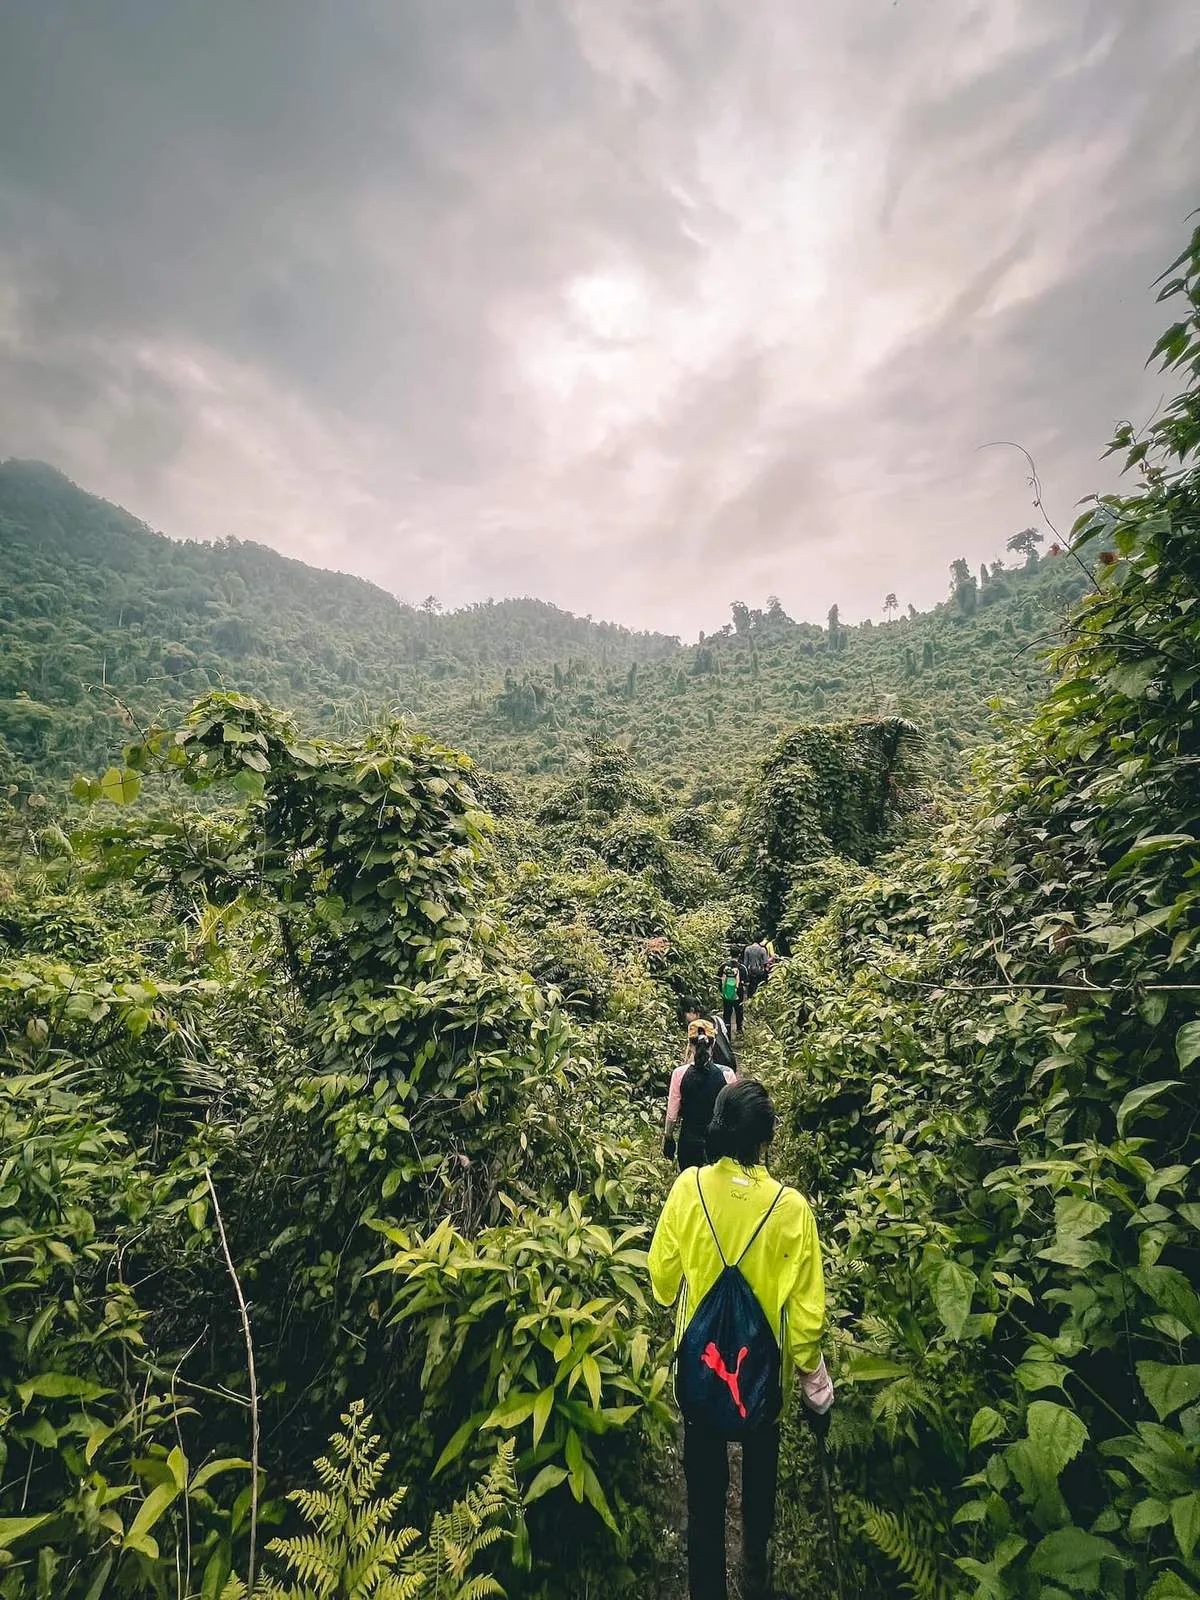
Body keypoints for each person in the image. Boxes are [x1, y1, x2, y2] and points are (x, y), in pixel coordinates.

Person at [648, 1079, 833, 1600]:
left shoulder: (688, 1189)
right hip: (762, 1387)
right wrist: (817, 1391)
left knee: (704, 1510)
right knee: (758, 1498)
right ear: (765, 1140)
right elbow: (805, 1321)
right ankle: (756, 1569)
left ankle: (707, 1587)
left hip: (701, 1382)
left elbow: (662, 1286)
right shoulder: (792, 1209)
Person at [662, 1022, 736, 1171]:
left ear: (690, 1044)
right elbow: (733, 1115)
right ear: (713, 1043)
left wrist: (668, 1138)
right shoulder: (727, 1074)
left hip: (688, 1141)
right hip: (717, 1143)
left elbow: (672, 1116)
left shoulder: (679, 1074)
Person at [684, 995, 736, 1070]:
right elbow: (726, 1041)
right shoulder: (717, 1020)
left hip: (708, 1069)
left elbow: (693, 1055)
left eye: (685, 1014)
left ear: (692, 1010)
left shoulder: (694, 1028)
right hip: (728, 1064)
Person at [715, 954, 745, 1036]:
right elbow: (746, 982)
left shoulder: (724, 966)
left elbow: (717, 978)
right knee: (739, 1012)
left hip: (726, 994)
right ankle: (739, 1031)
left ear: (730, 953)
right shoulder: (741, 967)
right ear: (739, 955)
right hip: (738, 994)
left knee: (727, 1013)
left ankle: (727, 1034)